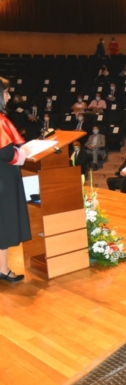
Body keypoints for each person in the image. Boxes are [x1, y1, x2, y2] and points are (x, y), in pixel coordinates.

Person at [0, 76, 30, 282]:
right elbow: (7, 154)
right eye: (6, 91)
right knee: (5, 224)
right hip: (3, 180)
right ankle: (2, 269)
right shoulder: (0, 121)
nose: (10, 95)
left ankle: (2, 268)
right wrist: (25, 153)